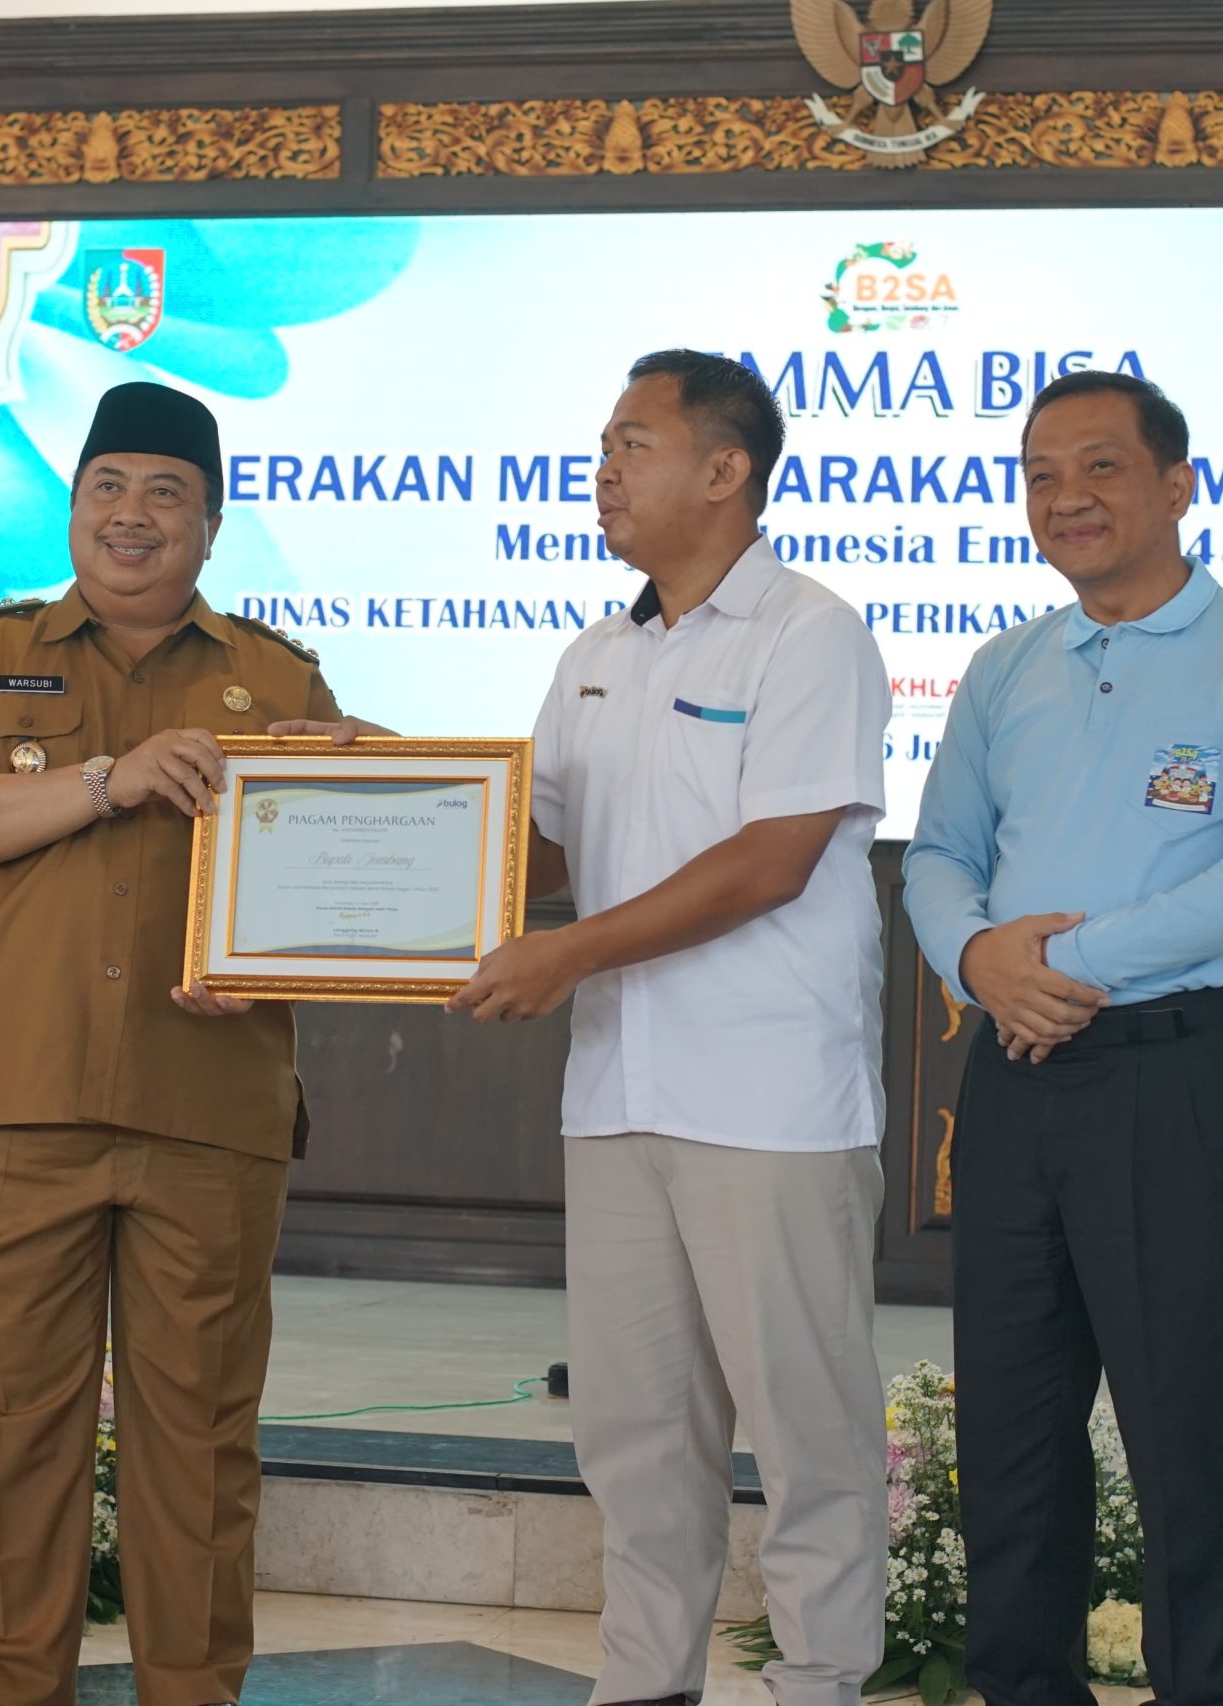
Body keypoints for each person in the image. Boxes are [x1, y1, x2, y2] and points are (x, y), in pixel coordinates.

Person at [0, 381, 383, 1706]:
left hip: (208, 1106)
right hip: (17, 1103)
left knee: (200, 1437)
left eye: (167, 492)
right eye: (107, 485)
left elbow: (352, 872)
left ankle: (192, 1690)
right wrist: (107, 778)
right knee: (12, 1432)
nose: (132, 513)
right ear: (73, 506)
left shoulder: (275, 675)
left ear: (211, 524)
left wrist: (361, 780)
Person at [447, 349, 891, 1706]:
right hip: (617, 1091)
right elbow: (537, 851)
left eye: (631, 445)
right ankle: (643, 1683)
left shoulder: (808, 632)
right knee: (636, 1432)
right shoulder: (597, 653)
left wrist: (568, 953)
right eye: (602, 446)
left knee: (806, 1431)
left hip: (768, 1099)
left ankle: (819, 1681)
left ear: (725, 469)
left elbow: (769, 861)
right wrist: (379, 779)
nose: (603, 472)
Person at [901, 370, 1223, 1706]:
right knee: (1012, 1433)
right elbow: (938, 853)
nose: (1065, 497)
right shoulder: (1007, 663)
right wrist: (978, 959)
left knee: (1186, 1433)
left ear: (1177, 483)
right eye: (1040, 474)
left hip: (1175, 1073)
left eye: (1098, 467)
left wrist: (1062, 964)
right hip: (1016, 1073)